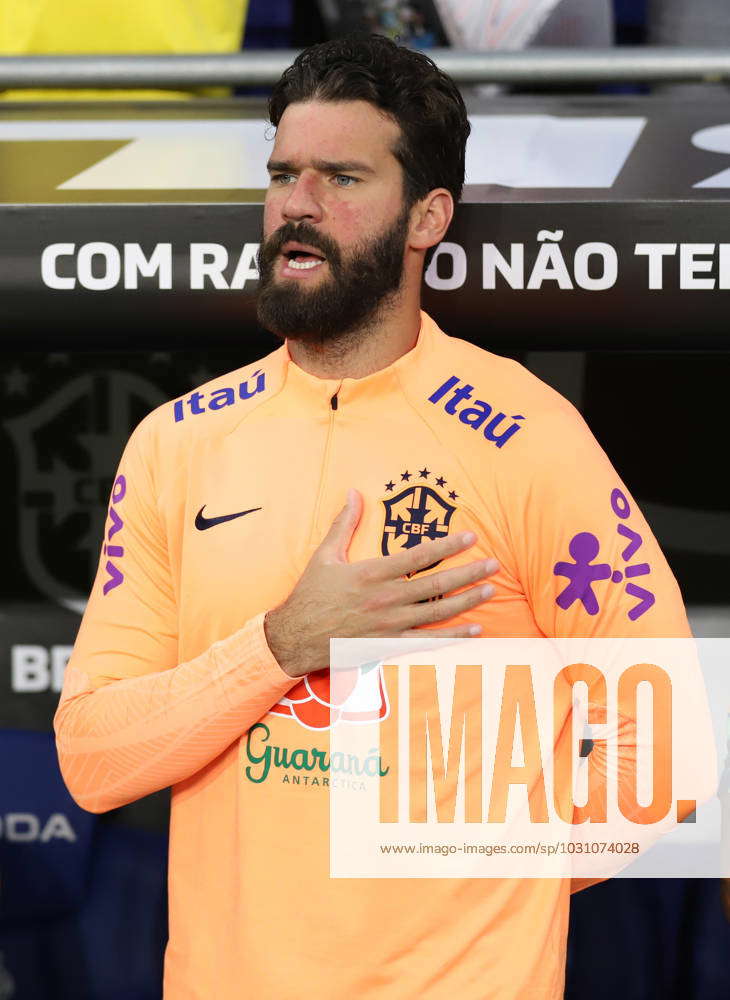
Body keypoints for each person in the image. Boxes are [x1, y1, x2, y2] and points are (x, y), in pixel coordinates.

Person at [54, 34, 692, 1000]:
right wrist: (281, 645)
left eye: (342, 177)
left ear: (428, 215)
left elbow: (664, 744)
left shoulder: (528, 434)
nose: (297, 206)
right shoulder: (175, 445)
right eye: (282, 175)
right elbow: (95, 758)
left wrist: (487, 892)